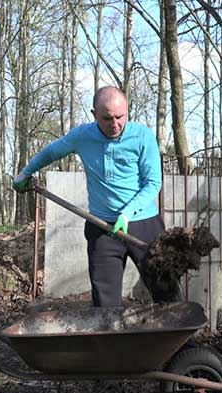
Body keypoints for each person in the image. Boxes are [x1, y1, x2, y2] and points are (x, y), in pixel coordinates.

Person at [13, 86, 167, 307]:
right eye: (107, 118)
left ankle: (184, 342)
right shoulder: (83, 136)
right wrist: (26, 173)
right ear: (94, 114)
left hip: (144, 224)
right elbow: (51, 152)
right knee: (105, 301)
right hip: (102, 226)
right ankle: (109, 340)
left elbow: (153, 183)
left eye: (119, 117)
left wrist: (127, 213)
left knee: (165, 288)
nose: (114, 124)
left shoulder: (143, 137)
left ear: (127, 111)